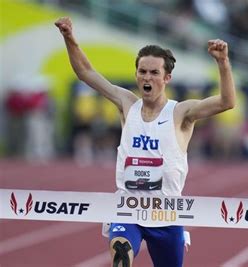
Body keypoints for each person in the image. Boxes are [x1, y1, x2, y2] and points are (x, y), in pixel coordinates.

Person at [55, 17, 236, 267]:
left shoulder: (180, 112)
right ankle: (123, 253)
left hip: (167, 212)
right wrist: (69, 38)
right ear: (136, 74)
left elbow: (227, 102)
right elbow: (85, 72)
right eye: (142, 72)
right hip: (128, 207)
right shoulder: (126, 103)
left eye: (154, 72)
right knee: (122, 255)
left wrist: (223, 62)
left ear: (167, 78)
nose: (146, 78)